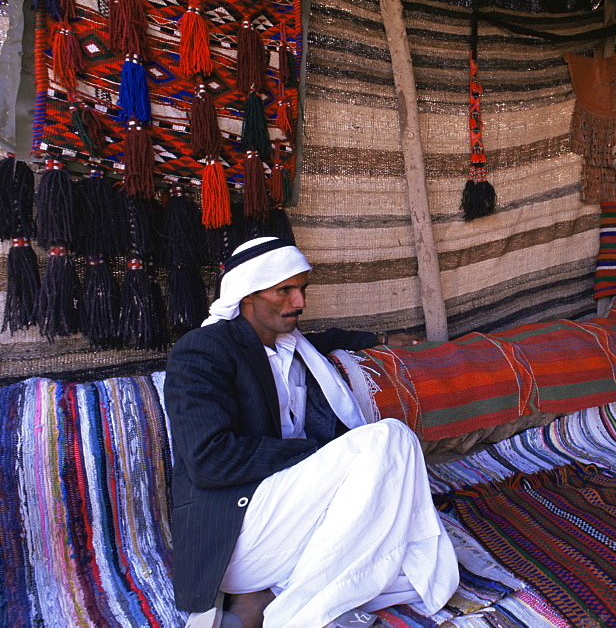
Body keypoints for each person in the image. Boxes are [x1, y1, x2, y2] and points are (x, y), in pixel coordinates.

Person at [164, 236, 459, 628]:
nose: (299, 302)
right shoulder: (202, 350)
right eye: (284, 290)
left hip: (289, 521)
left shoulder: (293, 345)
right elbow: (209, 460)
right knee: (390, 439)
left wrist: (379, 340)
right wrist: (313, 452)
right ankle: (292, 612)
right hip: (236, 533)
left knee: (412, 557)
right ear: (246, 294)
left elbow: (329, 339)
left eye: (302, 289)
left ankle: (271, 595)